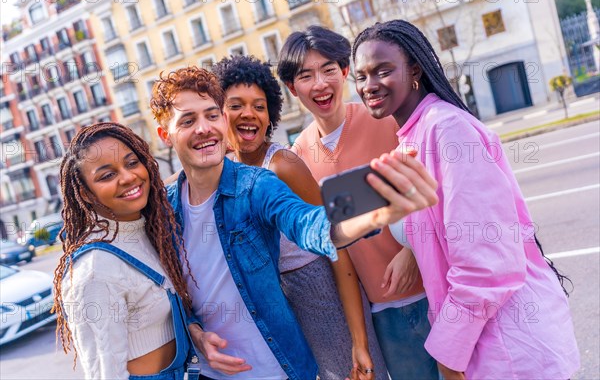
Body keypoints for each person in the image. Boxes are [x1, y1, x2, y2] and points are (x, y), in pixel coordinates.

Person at [150, 66, 438, 379]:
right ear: (166, 135)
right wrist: (194, 331)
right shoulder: (165, 206)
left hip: (279, 367)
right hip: (211, 373)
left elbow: (308, 224)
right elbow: (174, 290)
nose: (204, 128)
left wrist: (369, 208)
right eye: (188, 121)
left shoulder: (257, 185)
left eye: (211, 115)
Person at [352, 19, 580, 379]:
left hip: (507, 347)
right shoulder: (414, 135)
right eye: (361, 76)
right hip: (485, 343)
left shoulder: (447, 129)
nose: (370, 85)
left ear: (414, 69)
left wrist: (448, 355)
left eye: (382, 70)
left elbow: (485, 264)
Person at [277, 25, 439, 379]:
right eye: (306, 76)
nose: (320, 84)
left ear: (345, 72)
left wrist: (412, 249)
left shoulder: (383, 118)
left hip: (433, 290)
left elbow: (433, 188)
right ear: (292, 88)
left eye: (328, 70)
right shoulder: (297, 157)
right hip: (381, 311)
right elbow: (331, 240)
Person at [212, 54, 388, 379]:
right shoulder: (222, 170)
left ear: (270, 115)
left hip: (324, 299)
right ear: (218, 113)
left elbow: (338, 249)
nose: (249, 114)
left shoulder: (282, 166)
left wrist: (358, 342)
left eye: (259, 106)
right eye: (236, 105)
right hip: (279, 307)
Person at [53, 123, 195, 379]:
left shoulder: (148, 230)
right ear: (84, 193)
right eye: (107, 175)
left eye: (132, 163)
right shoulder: (95, 269)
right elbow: (104, 373)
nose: (128, 177)